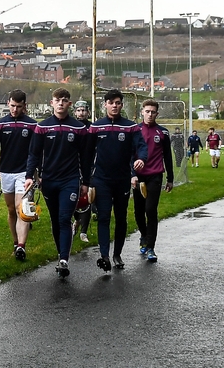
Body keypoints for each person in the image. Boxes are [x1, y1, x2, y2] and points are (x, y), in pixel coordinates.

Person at [25, 88, 90, 277]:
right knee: (55, 220)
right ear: (51, 103)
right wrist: (30, 176)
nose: (61, 103)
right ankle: (60, 251)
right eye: (57, 100)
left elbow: (86, 158)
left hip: (70, 181)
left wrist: (85, 181)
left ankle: (63, 259)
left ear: (69, 104)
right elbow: (34, 154)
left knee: (64, 218)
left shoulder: (79, 128)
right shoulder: (42, 127)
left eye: (64, 100)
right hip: (49, 180)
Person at [88, 89, 147, 272]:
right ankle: (104, 255)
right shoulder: (95, 127)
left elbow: (141, 147)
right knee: (104, 216)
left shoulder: (131, 127)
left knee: (121, 218)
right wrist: (87, 177)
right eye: (111, 102)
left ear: (122, 105)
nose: (114, 105)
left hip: (122, 180)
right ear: (104, 104)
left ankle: (117, 254)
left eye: (118, 103)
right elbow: (87, 153)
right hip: (101, 180)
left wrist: (141, 159)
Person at [0, 89, 37, 260]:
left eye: (19, 106)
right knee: (11, 210)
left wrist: (36, 172)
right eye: (13, 105)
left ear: (24, 106)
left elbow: (36, 152)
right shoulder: (0, 125)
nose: (15, 109)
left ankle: (22, 246)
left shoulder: (32, 125)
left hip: (24, 172)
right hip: (6, 172)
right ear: (8, 103)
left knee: (20, 208)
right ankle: (15, 243)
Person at [133, 99, 174, 263]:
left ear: (157, 113)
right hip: (138, 176)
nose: (150, 114)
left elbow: (168, 157)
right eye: (147, 111)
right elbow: (129, 154)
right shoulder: (135, 130)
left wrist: (170, 179)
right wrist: (131, 174)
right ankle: (143, 235)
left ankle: (151, 247)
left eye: (153, 112)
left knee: (150, 210)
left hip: (155, 175)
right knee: (138, 211)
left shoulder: (162, 133)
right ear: (142, 111)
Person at [71, 100, 92, 243]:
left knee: (88, 199)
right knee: (73, 198)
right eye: (78, 110)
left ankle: (83, 231)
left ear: (88, 112)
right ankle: (77, 221)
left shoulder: (92, 127)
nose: (81, 113)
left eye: (83, 110)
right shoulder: (71, 126)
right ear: (74, 112)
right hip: (73, 167)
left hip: (90, 166)